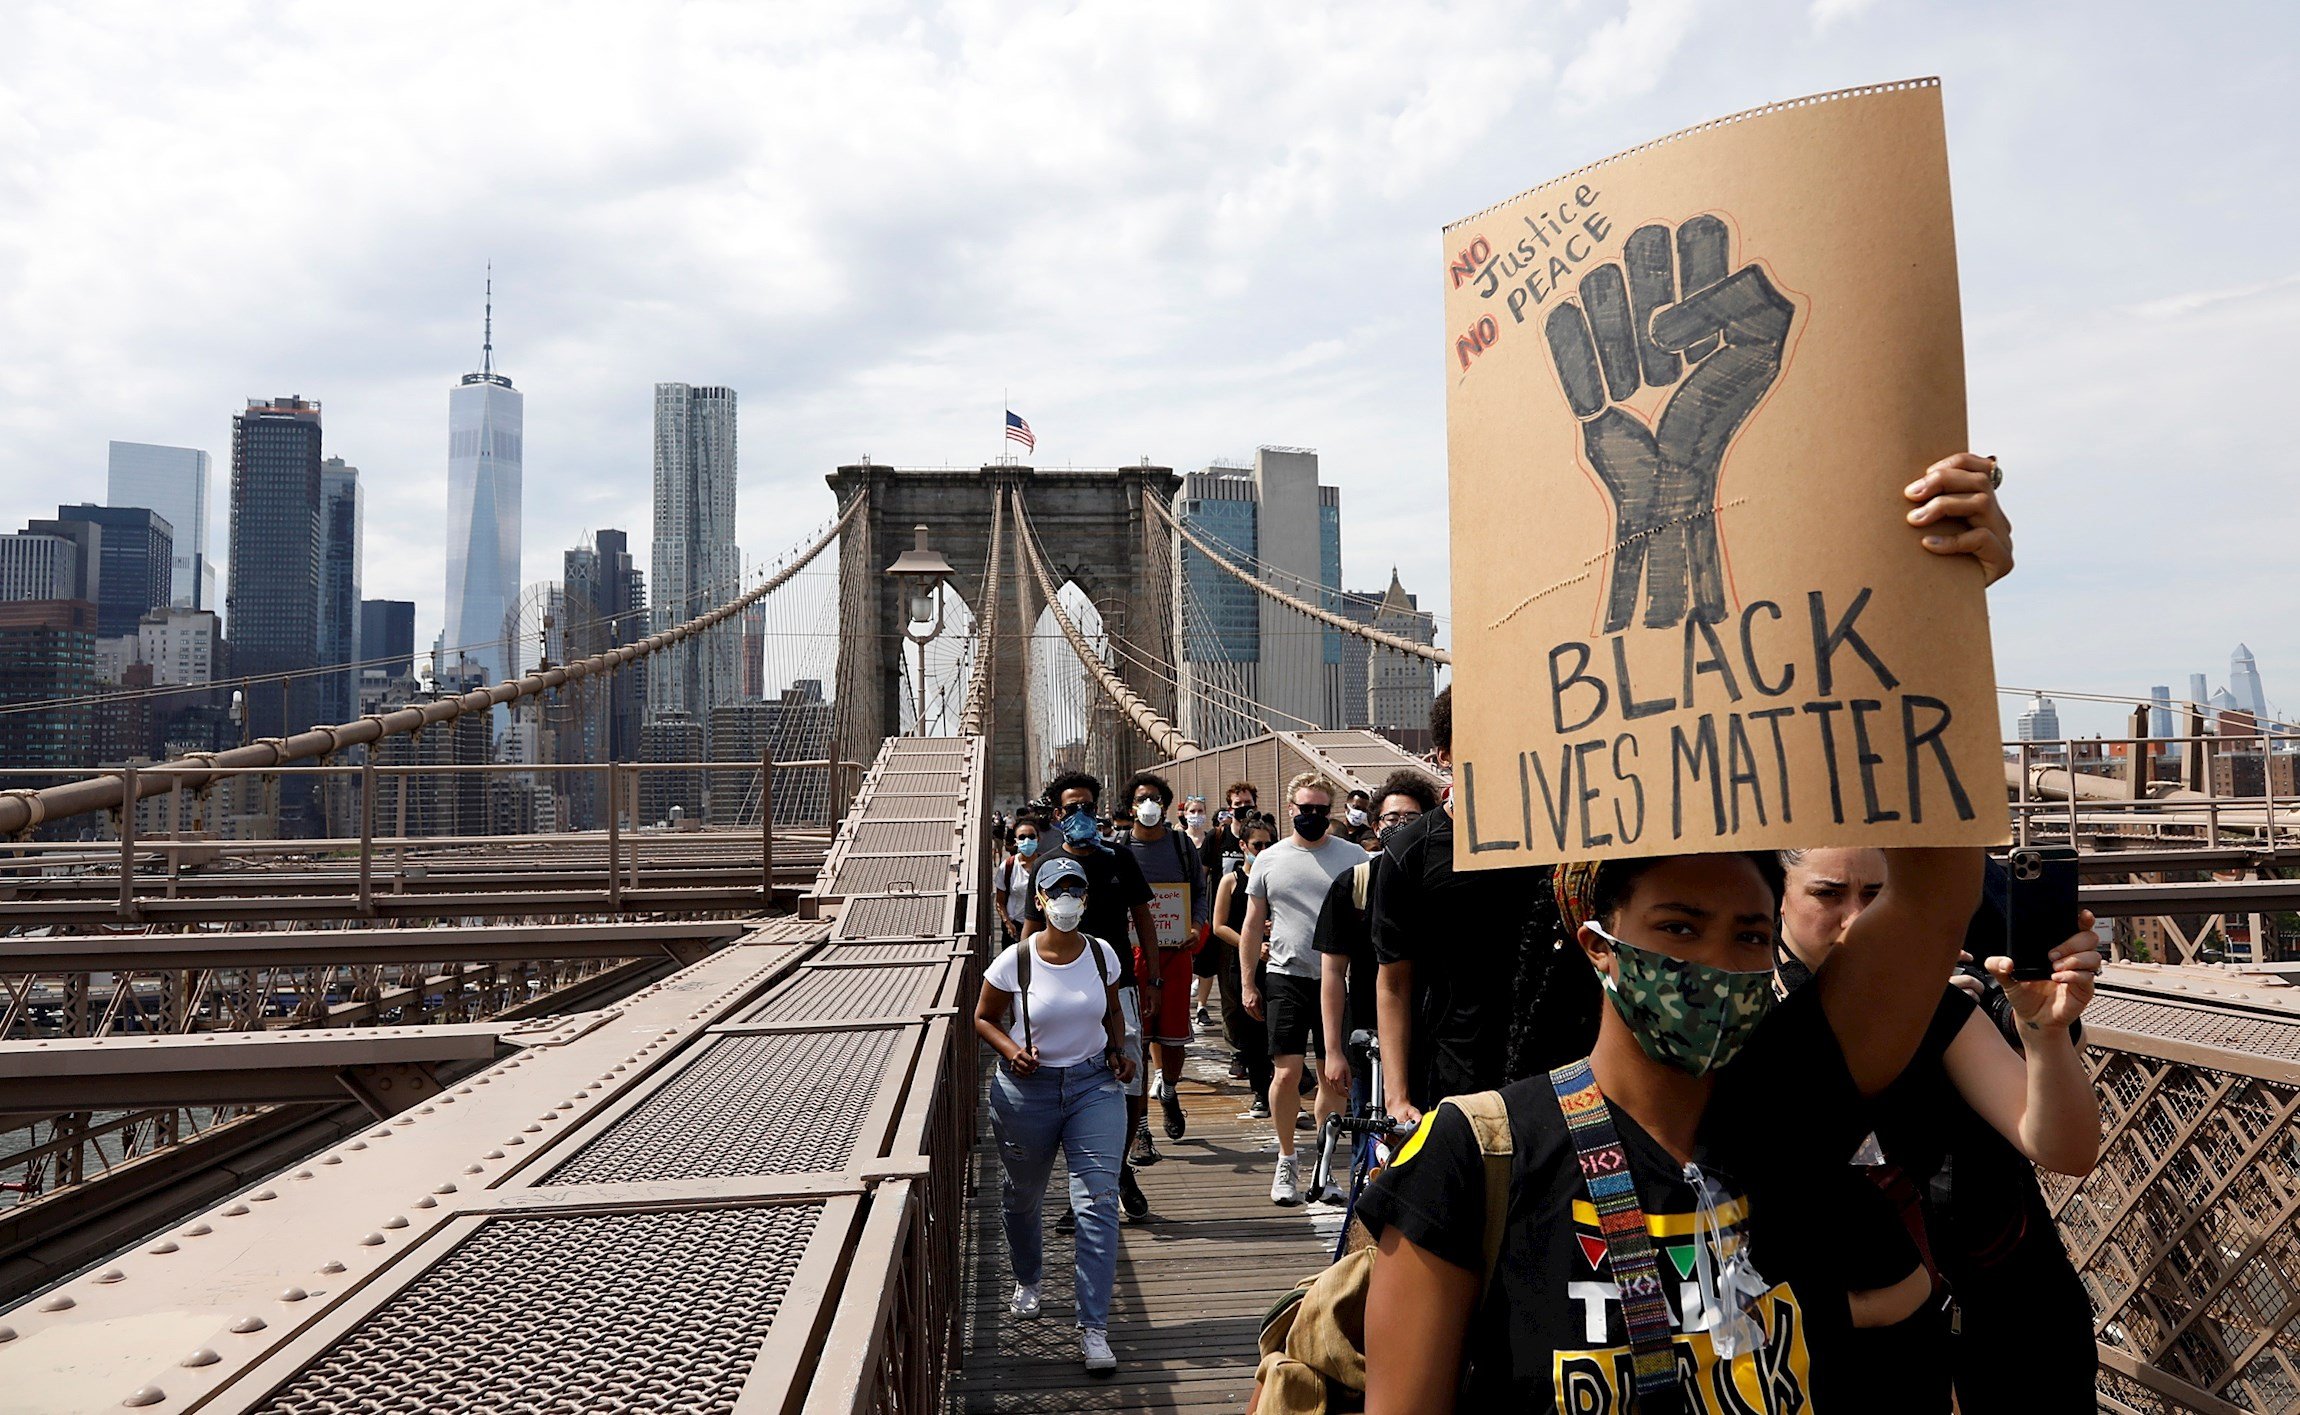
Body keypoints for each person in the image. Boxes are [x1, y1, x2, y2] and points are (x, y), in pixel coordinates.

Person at [1777, 848, 2102, 1412]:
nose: (1856, 919)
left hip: (1999, 1309)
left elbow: (2066, 1149)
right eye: (1827, 894)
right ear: (1778, 896)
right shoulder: (1740, 1014)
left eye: (1877, 896)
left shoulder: (1927, 1000)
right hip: (1832, 1350)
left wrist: (2043, 1033)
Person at [1371, 688, 1580, 1131]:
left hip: (1563, 1067)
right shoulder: (1411, 852)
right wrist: (1397, 1095)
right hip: (1456, 1071)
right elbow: (1393, 980)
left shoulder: (1564, 836)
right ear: (1444, 754)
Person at [972, 854, 1134, 1378]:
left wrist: (1118, 1048)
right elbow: (983, 1017)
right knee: (1024, 1196)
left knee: (1098, 1203)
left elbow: (1110, 1009)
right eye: (1057, 891)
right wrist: (1009, 1051)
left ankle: (1094, 1329)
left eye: (1076, 890)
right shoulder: (1014, 961)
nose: (1068, 900)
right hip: (1028, 1091)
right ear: (1038, 900)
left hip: (1093, 1086)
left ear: (1086, 898)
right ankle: (1028, 1278)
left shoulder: (1102, 952)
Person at [1039, 770, 1162, 1219]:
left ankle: (1117, 1168)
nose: (1082, 815)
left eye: (1089, 806)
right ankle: (1087, 1189)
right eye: (1073, 808)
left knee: (1127, 1081)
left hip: (1121, 986)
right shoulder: (1047, 865)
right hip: (1063, 991)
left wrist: (1153, 982)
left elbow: (1143, 919)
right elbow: (1031, 936)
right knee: (1069, 1087)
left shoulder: (1120, 859)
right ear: (1057, 814)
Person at [1240, 773, 1363, 1205]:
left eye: (1319, 810)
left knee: (1336, 1076)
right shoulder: (1270, 859)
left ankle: (1325, 1166)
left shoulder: (1353, 856)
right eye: (1304, 809)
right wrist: (1247, 983)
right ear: (1289, 809)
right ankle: (1287, 1159)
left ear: (1329, 812)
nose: (1311, 816)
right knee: (1287, 1073)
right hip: (1286, 975)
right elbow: (1253, 924)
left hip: (1340, 979)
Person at [1315, 772, 1441, 1154]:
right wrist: (1333, 1051)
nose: (1402, 826)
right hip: (1369, 1036)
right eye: (1392, 819)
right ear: (1375, 825)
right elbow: (1334, 974)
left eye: (1413, 818)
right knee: (1372, 1146)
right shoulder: (1353, 885)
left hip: (1437, 1036)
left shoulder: (1443, 882)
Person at [1119, 771, 1211, 1145]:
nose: (1149, 805)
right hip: (1132, 956)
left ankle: (1169, 1091)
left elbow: (1200, 893)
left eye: (1156, 798)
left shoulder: (1181, 846)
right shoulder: (1118, 849)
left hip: (1175, 954)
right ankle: (1140, 1130)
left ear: (1167, 805)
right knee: (1136, 1042)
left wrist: (1195, 926)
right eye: (1142, 799)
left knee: (1172, 1040)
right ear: (1130, 807)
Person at [1212, 812, 1277, 1119]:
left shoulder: (1279, 876)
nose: (1263, 850)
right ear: (1243, 845)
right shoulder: (1231, 881)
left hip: (1278, 961)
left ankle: (1283, 1083)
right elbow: (1218, 926)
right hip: (1245, 964)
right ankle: (1260, 1093)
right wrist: (1249, 944)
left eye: (1269, 844)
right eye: (1257, 844)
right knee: (1251, 1028)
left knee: (1276, 1028)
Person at [994, 814, 1045, 943]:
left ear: (1038, 839)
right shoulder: (1008, 866)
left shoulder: (1046, 864)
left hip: (1041, 927)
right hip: (1015, 927)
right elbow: (1000, 901)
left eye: (1031, 837)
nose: (1027, 841)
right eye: (1022, 837)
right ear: (1016, 840)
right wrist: (1007, 923)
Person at [1201, 780, 1260, 877]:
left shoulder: (1264, 838)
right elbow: (1201, 876)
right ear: (1230, 810)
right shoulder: (1216, 837)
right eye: (1238, 803)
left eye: (1247, 802)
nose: (1243, 806)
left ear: (1255, 807)